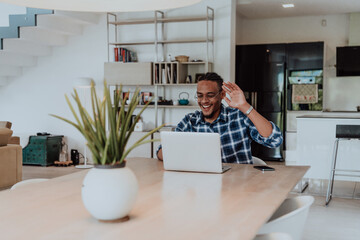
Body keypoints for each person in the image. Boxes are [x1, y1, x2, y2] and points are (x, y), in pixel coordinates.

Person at [157, 72, 282, 164]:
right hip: (201, 185)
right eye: (200, 96)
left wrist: (245, 106)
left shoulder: (238, 117)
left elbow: (274, 140)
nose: (204, 101)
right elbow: (160, 152)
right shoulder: (190, 121)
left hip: (238, 186)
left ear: (222, 95)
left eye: (210, 95)